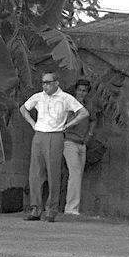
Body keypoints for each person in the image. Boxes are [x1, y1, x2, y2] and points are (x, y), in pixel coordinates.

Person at [20, 71, 89, 222]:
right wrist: (32, 123)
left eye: (48, 82)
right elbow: (23, 109)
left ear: (56, 83)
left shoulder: (65, 98)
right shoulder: (39, 97)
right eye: (43, 82)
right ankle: (35, 209)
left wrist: (68, 125)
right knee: (35, 173)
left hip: (55, 134)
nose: (45, 85)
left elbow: (83, 112)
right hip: (39, 134)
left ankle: (51, 209)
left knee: (53, 173)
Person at [62, 79, 97, 215]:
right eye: (80, 90)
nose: (82, 93)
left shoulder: (89, 104)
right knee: (75, 174)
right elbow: (65, 121)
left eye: (84, 91)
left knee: (78, 175)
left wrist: (90, 134)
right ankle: (71, 209)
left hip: (82, 144)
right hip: (69, 141)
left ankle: (73, 207)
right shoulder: (70, 103)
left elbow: (93, 119)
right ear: (76, 90)